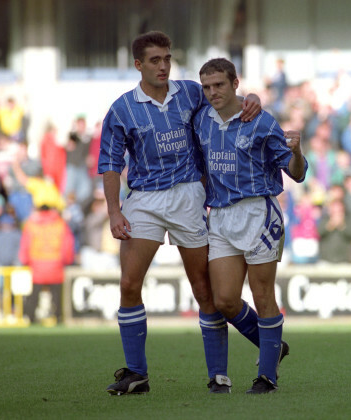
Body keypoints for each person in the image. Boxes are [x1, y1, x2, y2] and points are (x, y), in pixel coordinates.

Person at [98, 31, 262, 396]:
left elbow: (226, 101)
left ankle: (220, 374)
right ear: (138, 65)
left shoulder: (190, 92)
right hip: (144, 200)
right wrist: (114, 211)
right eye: (155, 60)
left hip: (189, 196)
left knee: (204, 290)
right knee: (128, 284)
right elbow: (110, 162)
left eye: (167, 59)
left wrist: (251, 97)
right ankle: (136, 374)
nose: (163, 66)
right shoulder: (122, 108)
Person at [193, 57, 307, 394]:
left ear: (234, 83)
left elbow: (297, 173)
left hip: (259, 214)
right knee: (225, 300)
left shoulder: (260, 121)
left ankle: (267, 378)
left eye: (219, 85)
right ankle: (272, 346)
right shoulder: (200, 120)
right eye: (207, 86)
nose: (213, 92)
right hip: (221, 216)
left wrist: (297, 151)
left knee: (262, 295)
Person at [19, 205, 75, 324]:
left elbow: (25, 244)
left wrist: (25, 260)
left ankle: (31, 317)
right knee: (56, 295)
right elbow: (67, 244)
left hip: (37, 264)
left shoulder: (31, 224)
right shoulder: (60, 224)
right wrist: (67, 260)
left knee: (34, 294)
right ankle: (58, 317)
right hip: (55, 264)